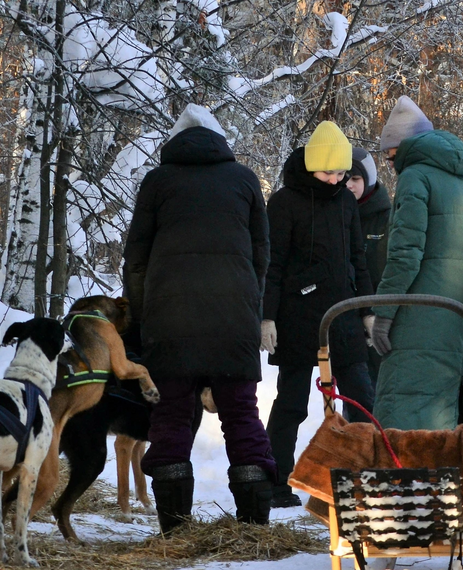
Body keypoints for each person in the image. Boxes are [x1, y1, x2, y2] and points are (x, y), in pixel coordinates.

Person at [123, 103, 277, 533]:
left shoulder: (158, 182)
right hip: (235, 322)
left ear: (173, 142)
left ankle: (174, 528)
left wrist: (141, 318)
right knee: (242, 416)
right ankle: (253, 527)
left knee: (170, 418)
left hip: (168, 322)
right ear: (220, 140)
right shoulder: (245, 180)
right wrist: (248, 306)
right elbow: (261, 257)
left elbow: (135, 260)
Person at [261, 121, 376, 508]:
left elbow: (357, 258)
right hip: (296, 318)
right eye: (329, 172)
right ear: (311, 167)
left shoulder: (345, 202)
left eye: (342, 173)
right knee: (291, 402)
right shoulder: (283, 203)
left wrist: (367, 310)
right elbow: (271, 265)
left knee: (361, 395)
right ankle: (277, 483)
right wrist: (267, 317)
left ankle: (363, 480)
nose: (336, 180)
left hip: (342, 314)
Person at [371, 95, 463, 431]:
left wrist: (384, 312)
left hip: (419, 316)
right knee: (451, 413)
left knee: (407, 412)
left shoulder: (414, 177)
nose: (392, 165)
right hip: (459, 317)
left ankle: (406, 483)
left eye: (391, 156)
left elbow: (405, 254)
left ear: (403, 148)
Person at [346, 147, 392, 385]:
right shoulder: (337, 216)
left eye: (355, 179)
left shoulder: (387, 218)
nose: (349, 185)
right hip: (347, 317)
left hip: (381, 320)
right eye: (344, 178)